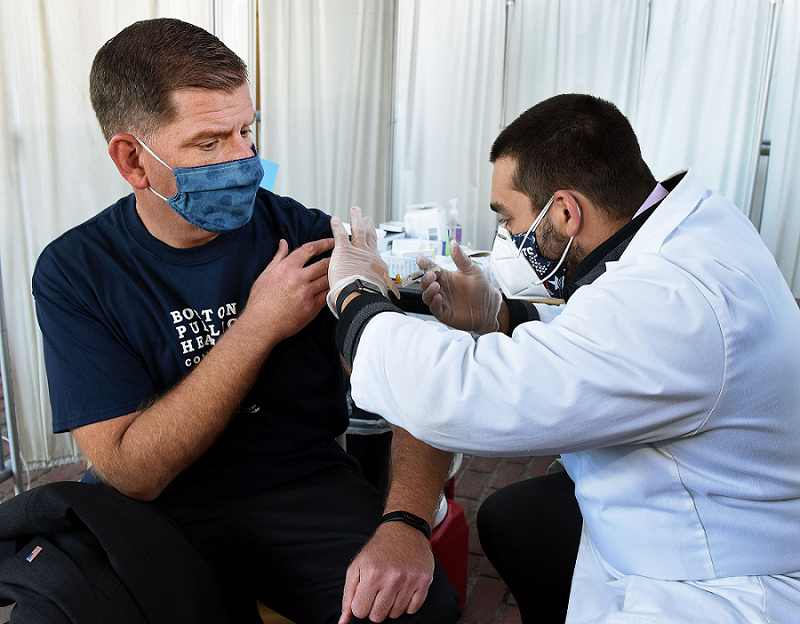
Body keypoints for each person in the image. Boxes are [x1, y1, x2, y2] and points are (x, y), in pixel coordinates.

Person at [32, 18, 460, 624]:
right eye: (210, 144)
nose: (246, 161)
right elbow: (132, 471)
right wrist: (260, 324)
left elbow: (418, 384)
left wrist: (407, 523)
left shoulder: (304, 235)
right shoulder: (77, 272)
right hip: (162, 509)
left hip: (302, 486)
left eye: (246, 131)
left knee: (415, 610)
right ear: (132, 159)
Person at [326, 93, 800, 623]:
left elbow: (470, 398)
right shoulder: (688, 232)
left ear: (567, 211)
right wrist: (502, 316)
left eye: (509, 219)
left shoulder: (675, 300)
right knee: (514, 518)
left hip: (711, 577)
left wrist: (356, 297)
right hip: (685, 509)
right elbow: (607, 338)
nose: (507, 237)